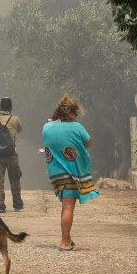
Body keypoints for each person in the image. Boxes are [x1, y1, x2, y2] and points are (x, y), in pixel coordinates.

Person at [41, 94, 99, 250]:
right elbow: (88, 143)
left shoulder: (47, 127)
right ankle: (64, 243)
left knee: (65, 206)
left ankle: (67, 238)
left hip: (55, 175)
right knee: (68, 207)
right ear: (73, 112)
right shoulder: (77, 127)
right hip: (71, 174)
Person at [0, 96, 24, 213]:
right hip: (12, 154)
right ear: (11, 107)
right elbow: (19, 130)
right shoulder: (15, 119)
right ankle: (17, 205)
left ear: (0, 107)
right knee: (15, 179)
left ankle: (0, 205)